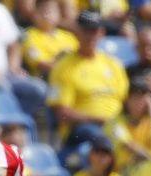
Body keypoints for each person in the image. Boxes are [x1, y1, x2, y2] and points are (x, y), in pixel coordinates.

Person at [48, 11, 129, 164]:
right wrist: (96, 119)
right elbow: (61, 113)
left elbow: (126, 101)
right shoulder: (63, 67)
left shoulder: (113, 64)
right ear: (76, 32)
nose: (90, 35)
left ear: (102, 33)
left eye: (94, 30)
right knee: (103, 137)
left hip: (115, 124)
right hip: (82, 129)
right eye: (85, 30)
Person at [21, 0, 78, 78]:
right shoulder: (29, 35)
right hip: (45, 78)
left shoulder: (68, 36)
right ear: (35, 14)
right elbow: (40, 64)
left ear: (59, 15)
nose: (47, 15)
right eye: (43, 11)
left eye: (51, 11)